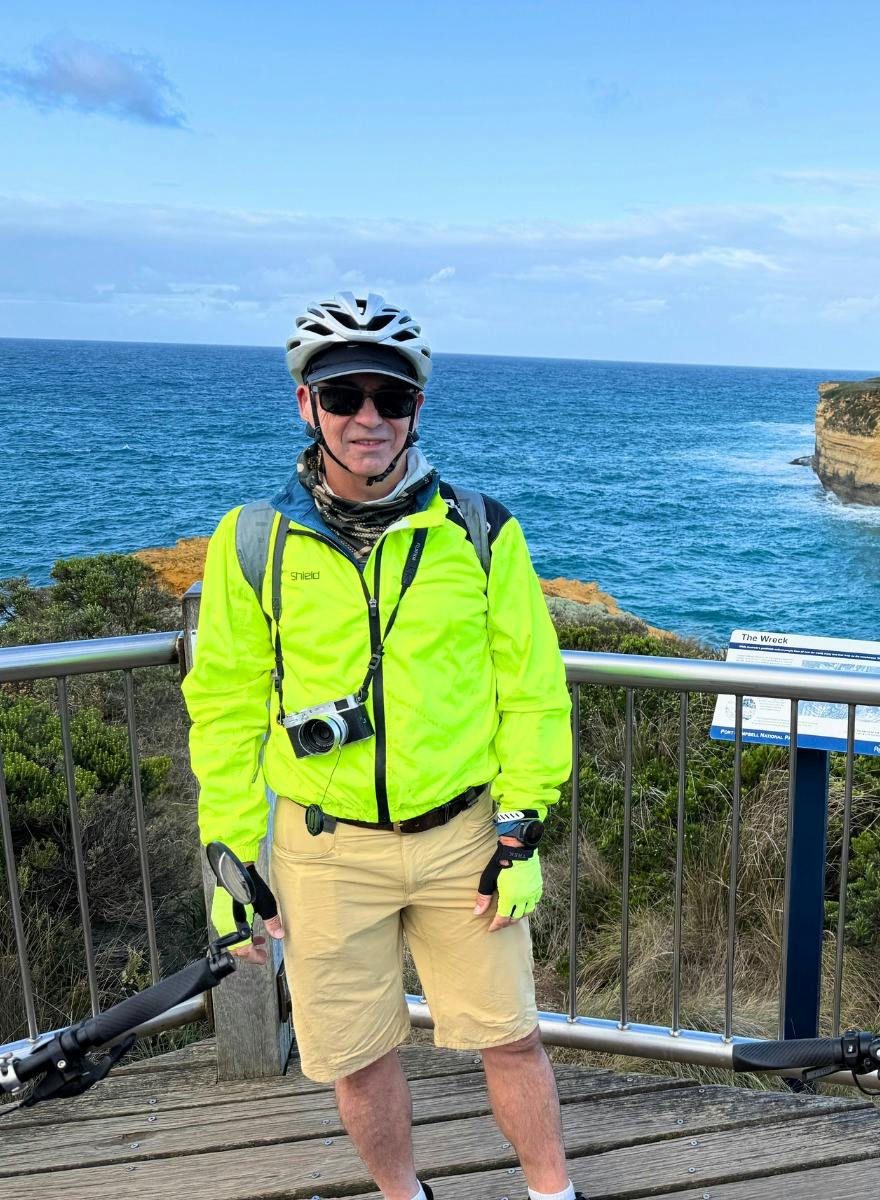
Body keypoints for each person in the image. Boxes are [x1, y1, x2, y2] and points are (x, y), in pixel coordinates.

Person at [183, 292, 581, 1200]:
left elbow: (531, 688)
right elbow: (226, 706)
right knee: (355, 1058)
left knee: (510, 1035)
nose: (368, 418)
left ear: (416, 409)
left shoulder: (480, 531)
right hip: (324, 851)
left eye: (389, 398)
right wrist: (229, 851)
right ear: (306, 407)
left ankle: (552, 1193)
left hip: (465, 837)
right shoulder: (252, 542)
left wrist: (521, 825)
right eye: (344, 396)